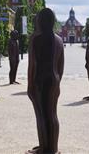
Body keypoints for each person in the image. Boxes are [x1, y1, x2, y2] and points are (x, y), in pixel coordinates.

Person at [27, 8, 64, 154]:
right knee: (53, 114)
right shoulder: (59, 40)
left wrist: (30, 85)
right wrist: (57, 80)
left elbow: (32, 64)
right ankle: (53, 148)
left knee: (41, 114)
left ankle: (43, 147)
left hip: (40, 80)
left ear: (40, 21)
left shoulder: (35, 39)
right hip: (54, 80)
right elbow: (61, 65)